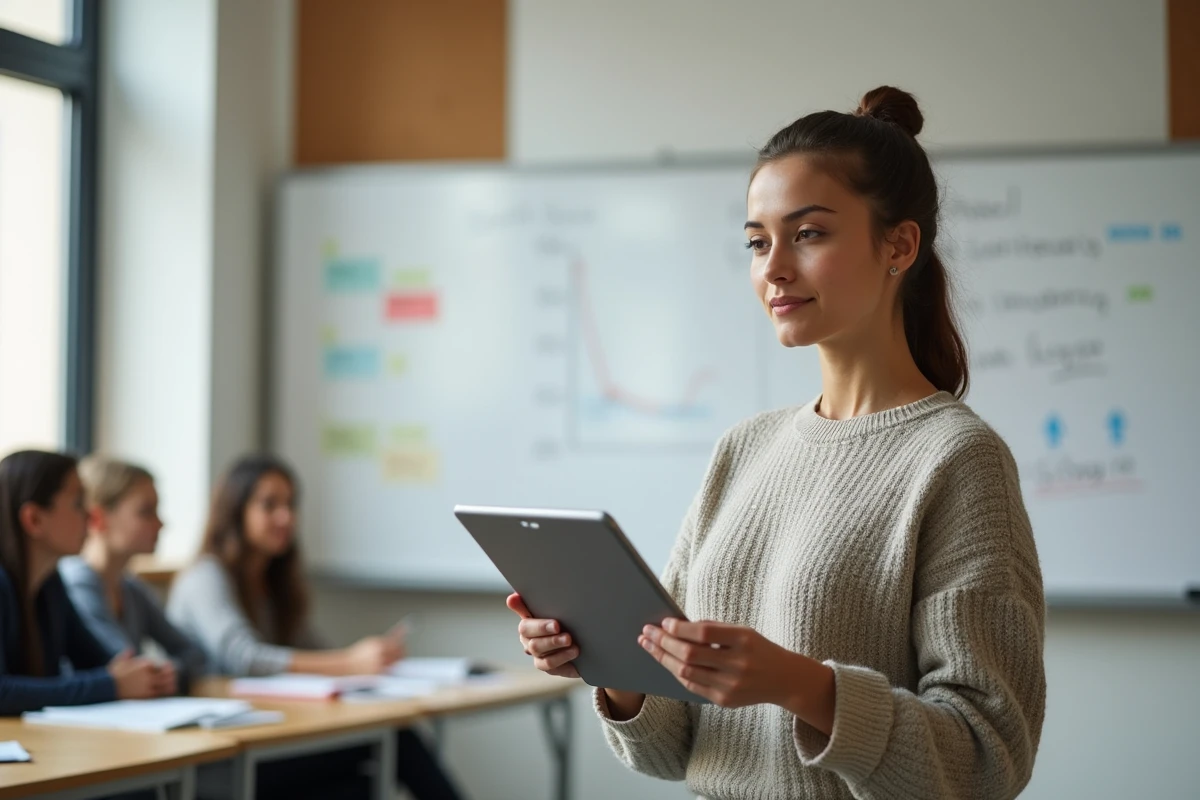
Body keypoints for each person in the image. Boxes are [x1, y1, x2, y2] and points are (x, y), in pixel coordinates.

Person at [509, 86, 1046, 800]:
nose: (774, 268)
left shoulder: (955, 459)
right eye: (758, 242)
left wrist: (802, 686)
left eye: (810, 234)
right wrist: (613, 666)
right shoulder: (745, 448)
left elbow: (988, 760)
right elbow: (672, 749)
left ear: (900, 244)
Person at [168, 454, 465, 800]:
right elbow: (245, 658)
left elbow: (314, 650)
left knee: (372, 768)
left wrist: (369, 659)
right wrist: (350, 663)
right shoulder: (205, 576)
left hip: (271, 736)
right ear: (236, 510)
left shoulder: (273, 582)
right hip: (224, 752)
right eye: (270, 504)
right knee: (392, 746)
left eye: (291, 504)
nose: (286, 517)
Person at [0, 450, 170, 715]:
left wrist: (143, 675)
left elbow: (96, 662)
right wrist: (112, 685)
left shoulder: (49, 583)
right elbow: (3, 693)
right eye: (79, 503)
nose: (91, 518)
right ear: (34, 519)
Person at [59, 456, 206, 693]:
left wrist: (172, 674)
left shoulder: (130, 588)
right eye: (146, 512)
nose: (161, 524)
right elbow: (122, 666)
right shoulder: (76, 583)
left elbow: (195, 654)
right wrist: (164, 673)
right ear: (98, 518)